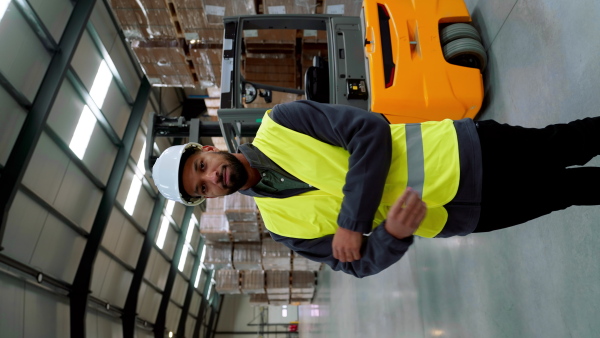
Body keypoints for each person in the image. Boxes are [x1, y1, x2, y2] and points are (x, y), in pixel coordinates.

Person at [152, 100, 600, 278]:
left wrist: (353, 221)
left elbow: (368, 131)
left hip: (465, 151)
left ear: (208, 149)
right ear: (207, 199)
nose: (213, 177)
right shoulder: (281, 225)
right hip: (464, 213)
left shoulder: (281, 123)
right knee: (567, 191)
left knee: (569, 144)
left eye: (202, 165)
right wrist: (393, 235)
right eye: (202, 186)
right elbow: (357, 263)